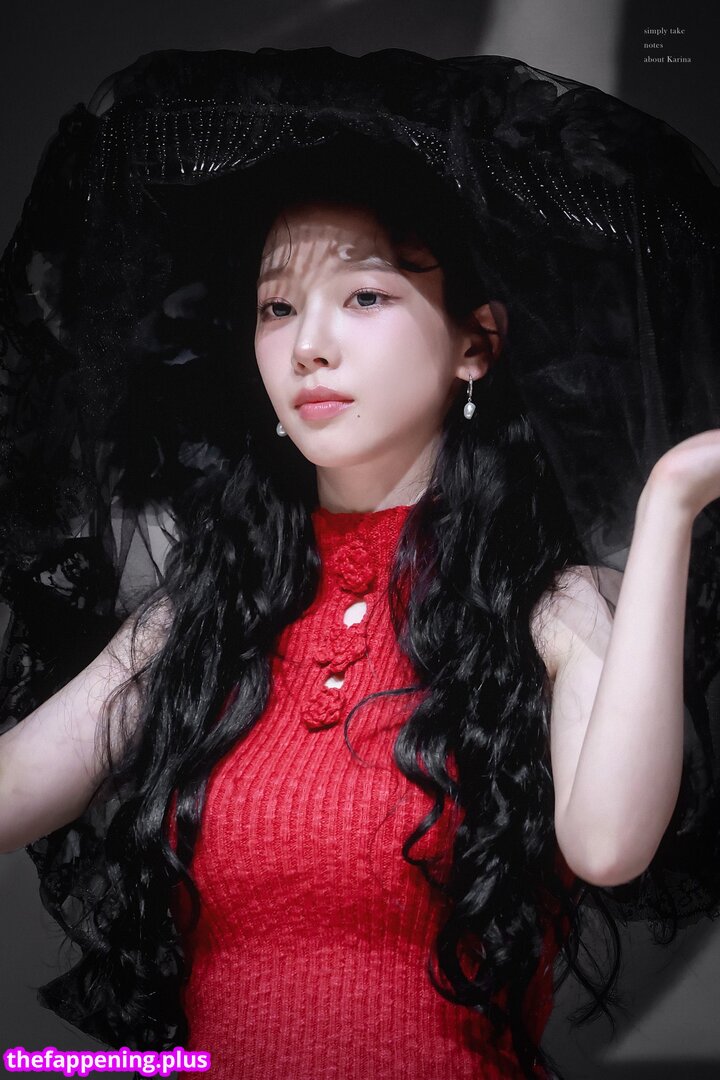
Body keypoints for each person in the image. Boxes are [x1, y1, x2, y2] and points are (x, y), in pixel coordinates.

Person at [1, 46, 720, 1080]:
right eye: (277, 306)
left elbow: (609, 845)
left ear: (476, 344)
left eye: (366, 296)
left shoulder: (547, 604)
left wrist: (672, 499)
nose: (309, 345)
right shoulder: (204, 614)